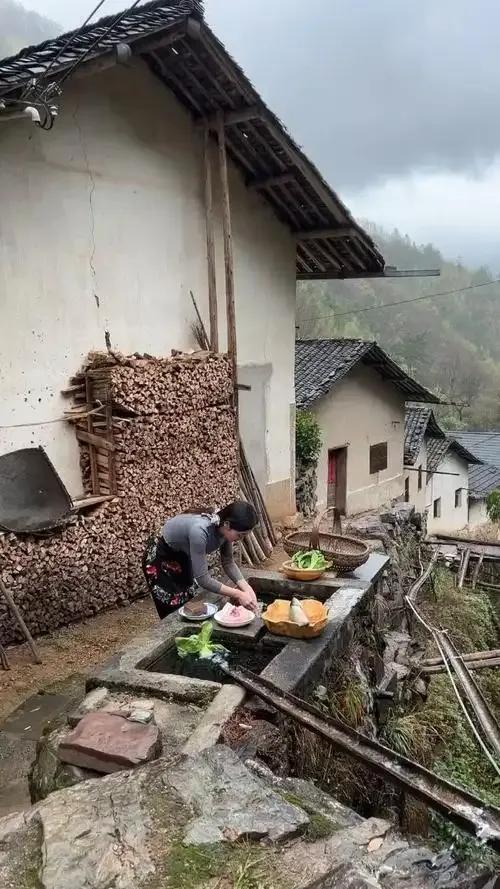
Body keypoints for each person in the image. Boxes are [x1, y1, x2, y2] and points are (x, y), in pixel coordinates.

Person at [142, 501, 259, 619]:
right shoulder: (200, 531)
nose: (240, 539)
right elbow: (203, 579)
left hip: (182, 554)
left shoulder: (224, 529)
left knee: (190, 600)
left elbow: (228, 562)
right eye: (240, 535)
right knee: (171, 605)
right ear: (227, 524)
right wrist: (238, 594)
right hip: (160, 554)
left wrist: (247, 588)